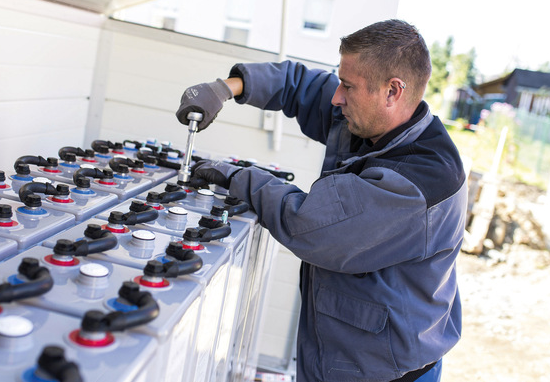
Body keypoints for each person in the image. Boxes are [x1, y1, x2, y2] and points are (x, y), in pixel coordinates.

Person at [176, 19, 466, 382]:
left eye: (347, 86)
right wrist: (225, 88)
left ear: (393, 91)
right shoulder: (375, 121)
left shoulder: (420, 180)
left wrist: (236, 175)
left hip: (382, 372)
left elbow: (312, 225)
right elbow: (301, 86)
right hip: (340, 360)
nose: (336, 97)